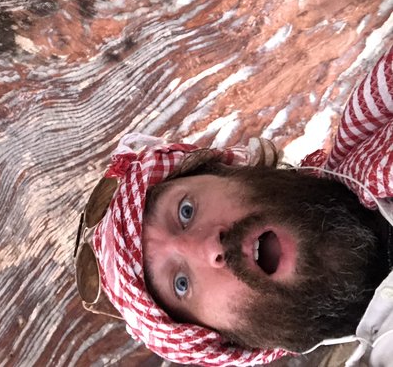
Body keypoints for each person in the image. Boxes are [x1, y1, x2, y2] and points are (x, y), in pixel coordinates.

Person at [75, 46, 393, 366]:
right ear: (235, 340)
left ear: (232, 171)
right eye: (181, 284)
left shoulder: (380, 107)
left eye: (186, 211)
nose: (208, 247)